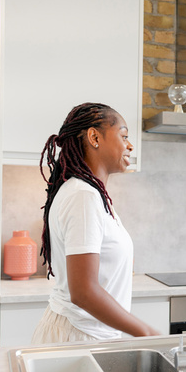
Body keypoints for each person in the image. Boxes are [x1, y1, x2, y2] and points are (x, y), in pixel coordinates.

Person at [31, 102, 160, 343]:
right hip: (77, 337)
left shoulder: (90, 194)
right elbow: (84, 292)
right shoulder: (83, 196)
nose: (130, 145)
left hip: (84, 334)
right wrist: (147, 332)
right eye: (123, 136)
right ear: (94, 137)